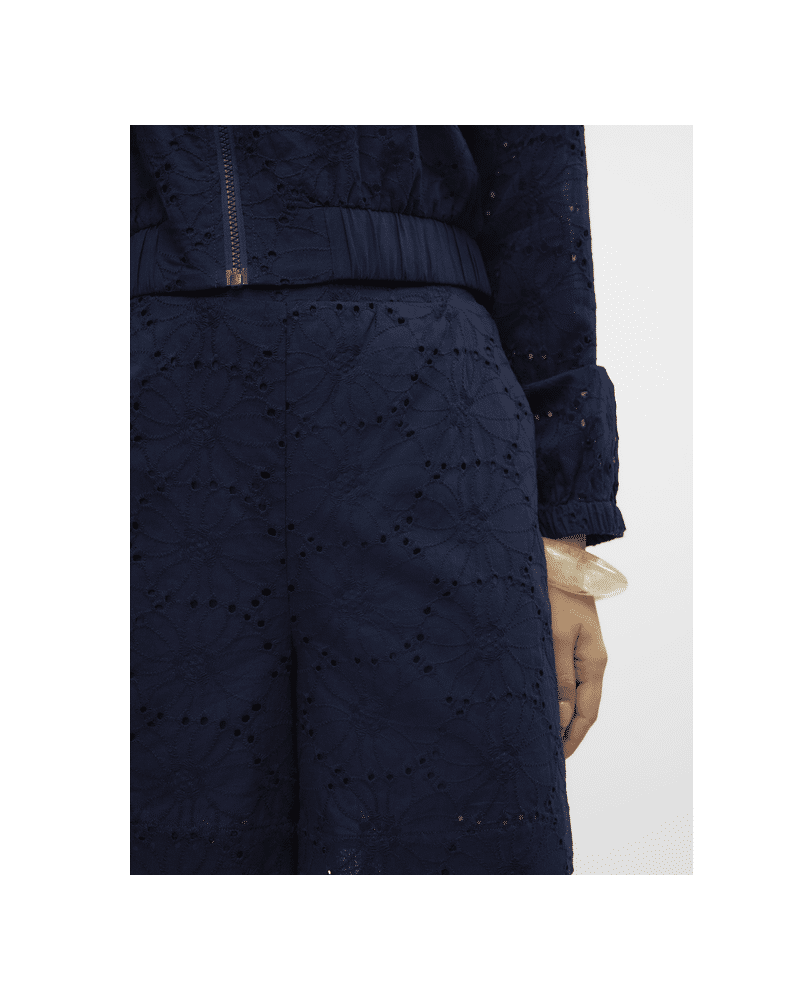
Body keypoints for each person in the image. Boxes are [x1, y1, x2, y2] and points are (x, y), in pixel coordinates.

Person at [130, 126, 626, 874]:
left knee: (450, 833)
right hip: (152, 410)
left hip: (428, 414)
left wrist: (564, 544)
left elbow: (539, 201)